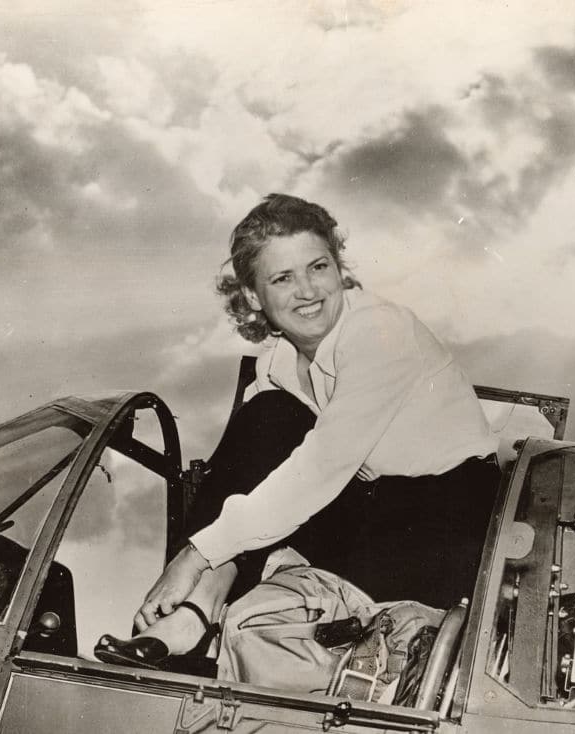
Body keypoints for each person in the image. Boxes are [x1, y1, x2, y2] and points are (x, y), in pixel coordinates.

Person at [95, 194, 499, 674]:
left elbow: (321, 468)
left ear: (338, 268)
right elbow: (254, 472)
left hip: (446, 531)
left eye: (318, 267)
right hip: (369, 521)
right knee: (266, 416)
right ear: (251, 297)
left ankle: (199, 606)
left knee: (271, 432)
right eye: (283, 278)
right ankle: (197, 610)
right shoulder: (279, 365)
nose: (308, 291)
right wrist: (211, 556)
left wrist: (196, 553)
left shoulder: (380, 331)